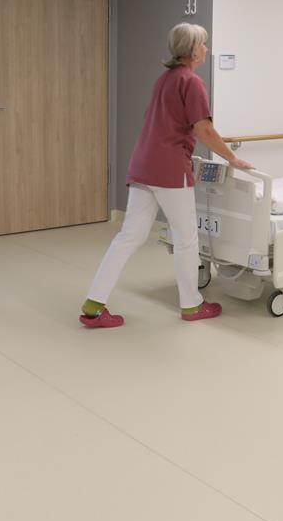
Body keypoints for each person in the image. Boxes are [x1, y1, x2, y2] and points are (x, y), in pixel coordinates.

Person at [79, 23, 253, 329]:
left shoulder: (164, 79)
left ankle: (94, 304)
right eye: (203, 44)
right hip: (169, 168)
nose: (206, 49)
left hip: (143, 165)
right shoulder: (192, 82)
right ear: (193, 49)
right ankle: (192, 305)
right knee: (186, 238)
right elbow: (204, 130)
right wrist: (232, 158)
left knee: (129, 236)